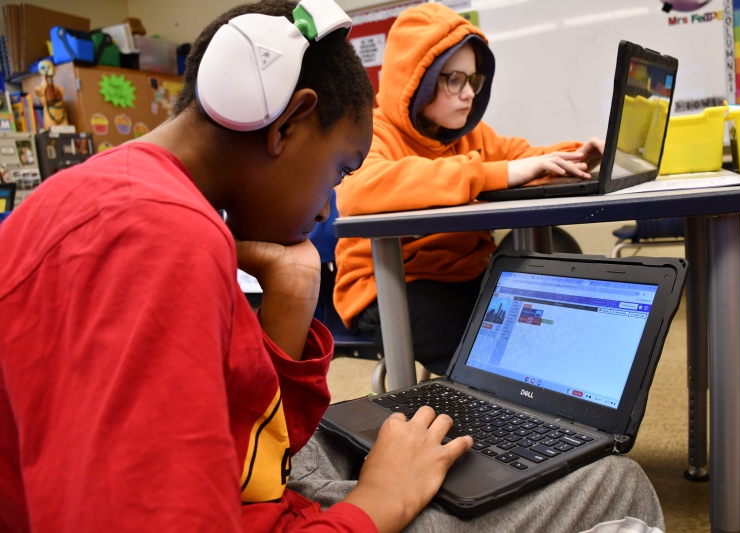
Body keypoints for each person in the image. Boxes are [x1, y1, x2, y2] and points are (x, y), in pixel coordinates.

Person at [0, 1, 664, 531]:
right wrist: (376, 502)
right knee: (618, 485)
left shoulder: (121, 195)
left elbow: (237, 442)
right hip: (302, 512)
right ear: (288, 124)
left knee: (552, 465)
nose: (327, 210)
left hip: (267, 486)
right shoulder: (153, 239)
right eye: (339, 171)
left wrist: (286, 310)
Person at [333, 3, 604, 376]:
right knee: (489, 360)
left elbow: (522, 158)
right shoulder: (372, 131)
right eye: (454, 79)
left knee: (555, 256)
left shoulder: (470, 134)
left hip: (467, 274)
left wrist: (574, 157)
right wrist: (492, 173)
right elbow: (360, 189)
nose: (468, 94)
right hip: (389, 285)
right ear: (417, 78)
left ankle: (546, 402)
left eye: (473, 80)